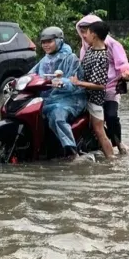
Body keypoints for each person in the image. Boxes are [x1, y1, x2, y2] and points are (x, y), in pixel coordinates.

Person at [76, 14, 129, 155]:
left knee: (111, 116)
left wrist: (126, 73)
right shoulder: (86, 48)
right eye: (81, 31)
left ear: (94, 32)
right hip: (89, 89)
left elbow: (122, 63)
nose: (84, 35)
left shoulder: (111, 46)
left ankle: (118, 144)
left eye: (87, 31)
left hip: (109, 89)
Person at [28, 27, 88, 160]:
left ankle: (72, 152)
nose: (45, 45)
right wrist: (18, 81)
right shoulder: (45, 60)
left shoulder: (70, 58)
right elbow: (32, 74)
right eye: (43, 42)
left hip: (71, 98)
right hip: (50, 98)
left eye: (49, 41)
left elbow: (76, 82)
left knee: (57, 115)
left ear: (59, 41)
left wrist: (62, 82)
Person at [71, 21, 116, 160]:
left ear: (94, 35)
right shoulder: (91, 49)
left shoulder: (102, 56)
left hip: (94, 98)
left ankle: (111, 161)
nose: (85, 35)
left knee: (99, 130)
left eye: (87, 33)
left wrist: (79, 83)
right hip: (83, 95)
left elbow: (100, 85)